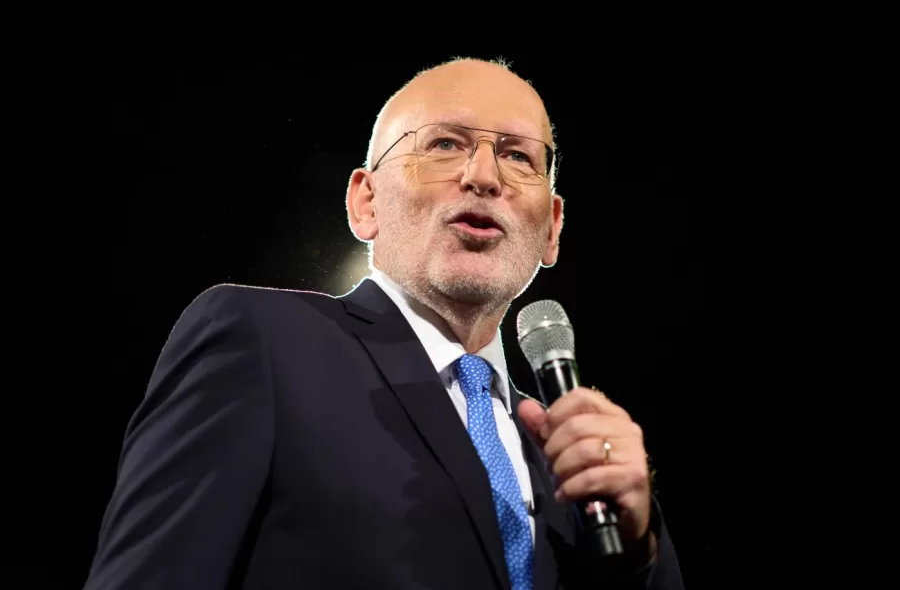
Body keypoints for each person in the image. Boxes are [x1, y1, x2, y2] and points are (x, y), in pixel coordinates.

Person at [84, 57, 685, 589]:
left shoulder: (566, 457)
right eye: (444, 144)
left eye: (517, 155)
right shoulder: (262, 341)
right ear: (366, 201)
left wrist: (639, 550)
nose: (484, 176)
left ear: (552, 227)